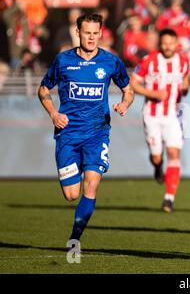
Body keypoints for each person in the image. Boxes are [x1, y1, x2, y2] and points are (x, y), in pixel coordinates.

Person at [37, 14, 134, 251]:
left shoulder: (111, 62)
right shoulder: (63, 61)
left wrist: (124, 104)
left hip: (97, 133)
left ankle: (74, 240)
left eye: (95, 33)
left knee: (91, 186)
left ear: (101, 33)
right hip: (68, 134)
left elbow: (128, 90)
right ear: (78, 33)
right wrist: (53, 114)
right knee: (71, 195)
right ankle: (74, 168)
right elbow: (43, 90)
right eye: (86, 32)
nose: (91, 37)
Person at [130, 28, 190, 213]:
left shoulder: (183, 61)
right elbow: (133, 82)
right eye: (164, 43)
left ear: (176, 43)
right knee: (157, 156)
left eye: (170, 43)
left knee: (173, 153)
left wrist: (184, 89)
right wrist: (153, 93)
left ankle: (169, 198)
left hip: (173, 114)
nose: (167, 46)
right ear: (160, 44)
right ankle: (157, 167)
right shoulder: (149, 61)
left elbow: (185, 79)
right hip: (152, 114)